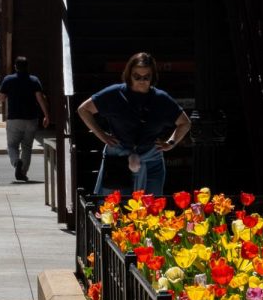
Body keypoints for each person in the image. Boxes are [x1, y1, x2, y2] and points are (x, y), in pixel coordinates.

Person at [76, 51, 191, 196]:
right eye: (137, 76)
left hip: (151, 159)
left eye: (146, 77)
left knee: (150, 209)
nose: (141, 80)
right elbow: (83, 109)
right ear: (129, 74)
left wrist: (171, 142)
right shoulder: (115, 93)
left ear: (152, 76)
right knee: (114, 209)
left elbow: (185, 123)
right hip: (118, 158)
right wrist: (101, 134)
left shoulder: (161, 99)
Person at [0, 55, 50, 182]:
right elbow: (40, 98)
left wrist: (2, 96)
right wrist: (47, 115)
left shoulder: (8, 80)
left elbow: (1, 98)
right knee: (27, 146)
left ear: (15, 67)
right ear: (27, 67)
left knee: (12, 146)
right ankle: (23, 172)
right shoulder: (34, 80)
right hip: (31, 118)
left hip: (14, 118)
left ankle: (17, 162)